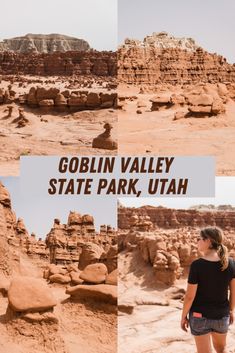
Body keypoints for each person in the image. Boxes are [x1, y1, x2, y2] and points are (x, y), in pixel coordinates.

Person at [181, 227, 235, 353]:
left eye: (199, 239)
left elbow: (189, 296)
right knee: (222, 350)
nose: (197, 242)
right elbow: (233, 292)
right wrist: (231, 311)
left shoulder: (197, 265)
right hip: (222, 316)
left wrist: (183, 316)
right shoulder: (231, 263)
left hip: (199, 317)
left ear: (208, 241)